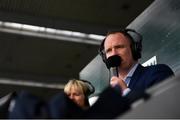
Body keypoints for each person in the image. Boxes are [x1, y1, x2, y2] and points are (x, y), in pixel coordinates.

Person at [98, 28, 174, 94]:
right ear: (105, 58)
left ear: (133, 49)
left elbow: (163, 106)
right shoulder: (109, 93)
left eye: (119, 47)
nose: (114, 53)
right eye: (109, 50)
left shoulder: (158, 72)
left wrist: (125, 92)